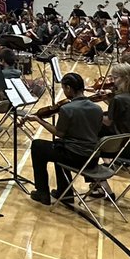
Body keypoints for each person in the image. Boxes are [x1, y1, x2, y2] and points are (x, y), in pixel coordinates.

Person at [27, 72, 103, 207]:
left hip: (75, 156)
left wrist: (39, 120)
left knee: (38, 146)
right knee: (59, 147)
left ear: (68, 88)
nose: (64, 92)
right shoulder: (97, 108)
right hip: (92, 157)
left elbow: (59, 133)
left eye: (63, 88)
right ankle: (65, 192)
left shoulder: (67, 109)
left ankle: (42, 192)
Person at [87, 62, 130, 200]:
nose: (112, 81)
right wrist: (108, 100)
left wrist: (93, 113)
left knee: (86, 149)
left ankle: (105, 188)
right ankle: (100, 183)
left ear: (126, 78)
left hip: (119, 146)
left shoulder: (119, 98)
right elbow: (119, 114)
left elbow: (108, 121)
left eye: (115, 78)